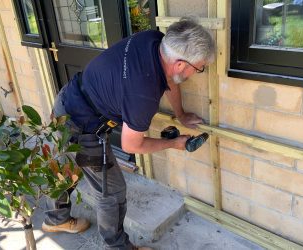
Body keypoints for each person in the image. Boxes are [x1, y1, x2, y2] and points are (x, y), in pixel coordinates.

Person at [41, 17, 215, 250]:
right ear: (181, 64)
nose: (197, 72)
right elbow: (132, 146)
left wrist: (180, 114)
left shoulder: (154, 40)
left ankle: (55, 219)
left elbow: (171, 80)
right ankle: (118, 247)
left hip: (66, 100)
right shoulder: (143, 95)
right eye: (198, 67)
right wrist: (174, 145)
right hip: (82, 127)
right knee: (111, 192)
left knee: (64, 168)